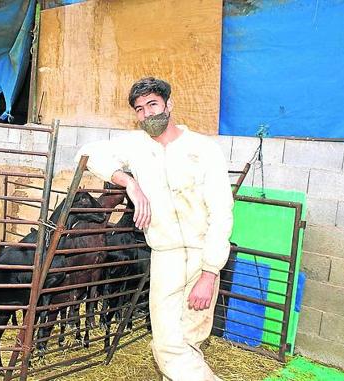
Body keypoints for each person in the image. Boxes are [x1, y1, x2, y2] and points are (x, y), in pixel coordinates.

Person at [75, 77, 233, 381]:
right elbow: (87, 153)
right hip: (165, 254)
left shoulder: (204, 149)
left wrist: (210, 273)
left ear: (168, 105)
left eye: (153, 105)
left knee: (188, 341)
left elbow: (222, 213)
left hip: (204, 254)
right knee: (167, 344)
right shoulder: (135, 146)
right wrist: (129, 183)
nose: (147, 114)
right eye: (140, 109)